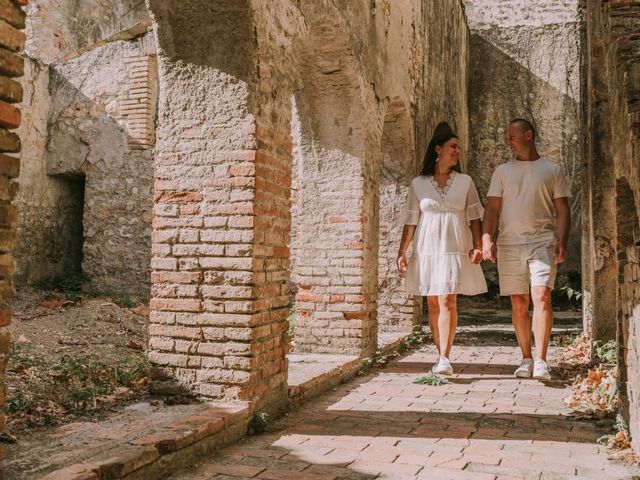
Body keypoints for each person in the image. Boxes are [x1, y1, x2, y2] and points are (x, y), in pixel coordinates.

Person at [482, 118, 571, 381]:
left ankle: (542, 360)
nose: (507, 140)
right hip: (509, 244)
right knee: (519, 302)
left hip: (543, 242)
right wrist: (487, 238)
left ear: (528, 135)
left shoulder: (552, 170)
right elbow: (492, 209)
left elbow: (563, 209)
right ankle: (526, 358)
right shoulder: (501, 171)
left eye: (512, 136)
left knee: (542, 296)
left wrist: (562, 241)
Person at [397, 123, 487, 376]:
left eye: (459, 147)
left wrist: (478, 245)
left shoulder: (466, 182)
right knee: (434, 303)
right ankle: (439, 355)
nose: (457, 151)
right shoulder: (418, 183)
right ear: (438, 149)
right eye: (453, 146)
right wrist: (402, 252)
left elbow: (475, 217)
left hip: (455, 247)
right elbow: (411, 220)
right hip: (428, 248)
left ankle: (446, 357)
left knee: (448, 298)